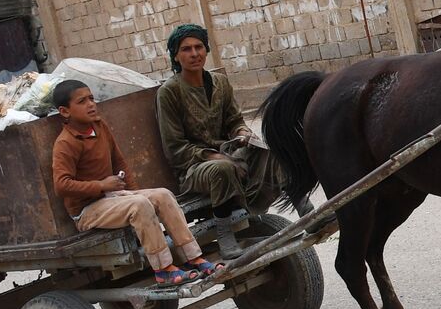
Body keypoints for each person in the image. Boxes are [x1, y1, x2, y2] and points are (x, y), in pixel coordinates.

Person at [157, 24, 313, 259]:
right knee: (222, 168)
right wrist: (213, 155)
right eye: (186, 49)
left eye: (199, 47)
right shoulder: (169, 92)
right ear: (176, 56)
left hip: (230, 153)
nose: (194, 53)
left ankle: (305, 208)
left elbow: (234, 120)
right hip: (193, 168)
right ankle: (225, 234)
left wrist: (242, 133)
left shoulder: (220, 83)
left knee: (272, 150)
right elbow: (174, 147)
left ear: (206, 50)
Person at [51, 78, 224, 285]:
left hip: (113, 199)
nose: (91, 104)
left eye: (91, 98)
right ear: (65, 112)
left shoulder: (99, 126)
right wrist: (102, 186)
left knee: (162, 195)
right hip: (87, 211)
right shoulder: (66, 143)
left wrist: (134, 194)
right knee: (139, 205)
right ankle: (163, 269)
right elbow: (61, 185)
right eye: (82, 101)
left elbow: (119, 161)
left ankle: (193, 257)